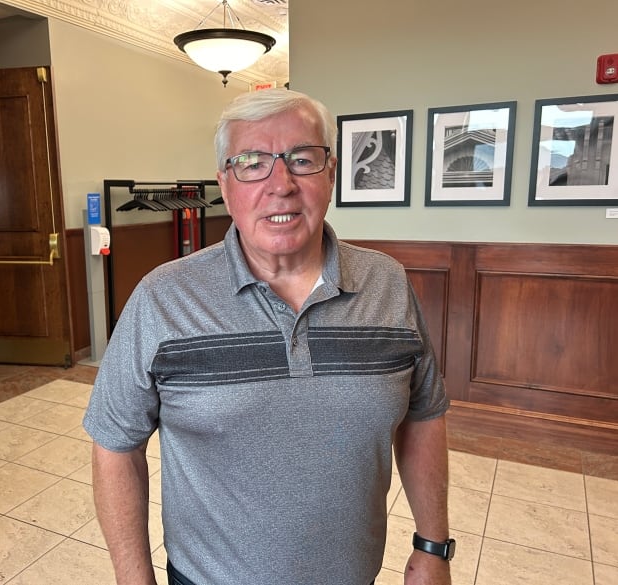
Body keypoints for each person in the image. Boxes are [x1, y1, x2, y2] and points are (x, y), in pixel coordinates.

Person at [83, 88, 453, 585]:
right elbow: (115, 444)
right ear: (224, 184)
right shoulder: (162, 299)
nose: (281, 184)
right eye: (252, 162)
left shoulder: (386, 285)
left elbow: (423, 415)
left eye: (303, 160)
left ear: (332, 175)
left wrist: (433, 547)